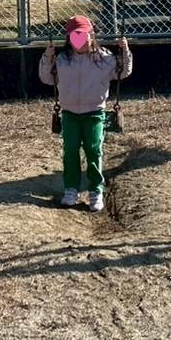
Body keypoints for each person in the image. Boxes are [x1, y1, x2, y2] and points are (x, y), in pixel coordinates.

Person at [38, 14, 132, 213]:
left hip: (95, 113)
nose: (79, 40)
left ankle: (96, 190)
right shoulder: (62, 60)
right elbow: (47, 78)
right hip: (70, 113)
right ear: (68, 38)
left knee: (93, 150)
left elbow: (123, 72)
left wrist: (125, 51)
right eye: (74, 36)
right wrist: (47, 57)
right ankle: (71, 189)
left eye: (83, 35)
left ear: (91, 35)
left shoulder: (104, 59)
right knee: (70, 151)